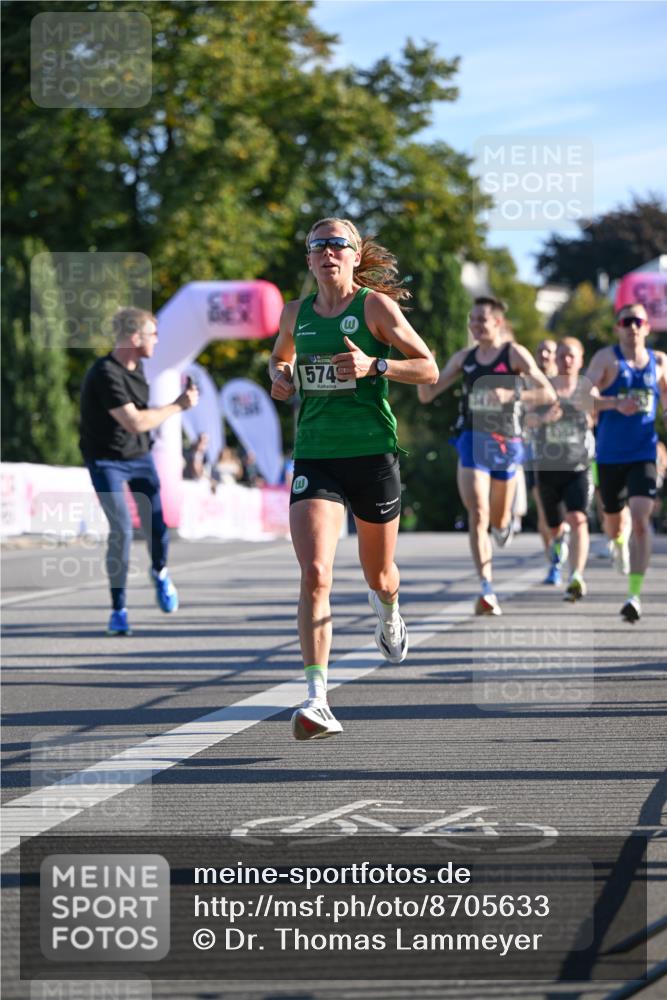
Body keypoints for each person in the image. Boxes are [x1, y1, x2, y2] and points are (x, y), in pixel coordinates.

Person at [269, 216, 438, 741]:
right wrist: (277, 375)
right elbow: (280, 359)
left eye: (337, 244)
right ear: (309, 260)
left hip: (372, 456)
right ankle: (317, 698)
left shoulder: (374, 308)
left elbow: (428, 368)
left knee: (378, 573)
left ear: (356, 253)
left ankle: (388, 611)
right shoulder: (295, 313)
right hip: (316, 456)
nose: (327, 253)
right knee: (316, 573)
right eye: (317, 246)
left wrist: (375, 367)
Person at [418, 296, 558, 616]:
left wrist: (512, 393)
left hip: (507, 440)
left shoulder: (514, 354)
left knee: (497, 518)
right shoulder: (465, 358)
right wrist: (422, 366)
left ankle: (504, 523)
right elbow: (427, 394)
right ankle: (486, 587)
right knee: (478, 512)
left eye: (482, 319)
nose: (476, 325)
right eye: (473, 319)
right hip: (472, 437)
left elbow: (547, 393)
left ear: (497, 323)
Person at [80, 307, 199, 635]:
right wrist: (179, 405)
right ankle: (118, 609)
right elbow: (133, 422)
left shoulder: (138, 370)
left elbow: (141, 426)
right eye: (152, 334)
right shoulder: (104, 373)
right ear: (134, 337)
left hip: (139, 457)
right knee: (120, 529)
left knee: (157, 526)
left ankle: (159, 572)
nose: (157, 340)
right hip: (106, 461)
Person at [586, 302, 667, 622]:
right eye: (626, 321)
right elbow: (582, 396)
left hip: (644, 452)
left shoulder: (659, 362)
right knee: (614, 520)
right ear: (618, 327)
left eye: (638, 321)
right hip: (609, 454)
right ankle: (617, 541)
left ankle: (634, 594)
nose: (632, 326)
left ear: (647, 327)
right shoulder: (606, 359)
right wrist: (614, 402)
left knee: (641, 519)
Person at [530, 337, 595, 601]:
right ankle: (558, 541)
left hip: (579, 466)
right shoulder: (544, 389)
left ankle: (576, 575)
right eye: (562, 356)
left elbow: (601, 416)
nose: (566, 360)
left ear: (580, 360)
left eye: (572, 356)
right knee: (554, 526)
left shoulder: (588, 391)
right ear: (555, 360)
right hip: (547, 467)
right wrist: (544, 418)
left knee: (578, 519)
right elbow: (525, 418)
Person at [524, 338, 560, 574]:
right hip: (536, 453)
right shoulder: (530, 383)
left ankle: (562, 545)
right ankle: (554, 563)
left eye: (549, 351)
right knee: (545, 510)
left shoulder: (565, 382)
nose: (544, 355)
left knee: (564, 512)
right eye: (540, 350)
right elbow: (524, 417)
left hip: (566, 454)